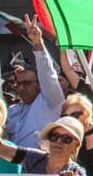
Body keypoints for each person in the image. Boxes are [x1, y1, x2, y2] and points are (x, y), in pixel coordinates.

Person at [5, 16, 66, 148]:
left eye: (26, 83)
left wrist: (37, 42)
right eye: (18, 84)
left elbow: (47, 73)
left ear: (40, 84)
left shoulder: (50, 101)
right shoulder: (12, 110)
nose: (21, 88)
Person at [60, 94, 93, 176]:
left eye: (75, 115)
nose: (70, 119)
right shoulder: (63, 136)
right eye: (65, 116)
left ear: (87, 113)